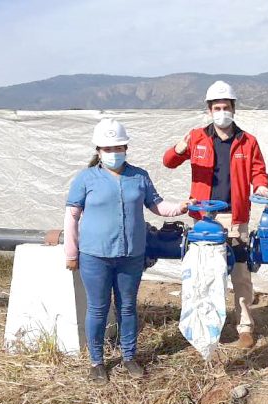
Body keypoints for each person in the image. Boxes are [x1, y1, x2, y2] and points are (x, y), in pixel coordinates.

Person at [65, 118, 190, 384]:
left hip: (131, 255)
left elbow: (156, 206)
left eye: (119, 147)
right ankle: (97, 362)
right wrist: (71, 253)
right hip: (94, 256)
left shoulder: (139, 176)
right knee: (98, 308)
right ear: (98, 150)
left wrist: (181, 207)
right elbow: (71, 216)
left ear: (126, 148)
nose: (114, 153)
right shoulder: (86, 179)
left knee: (127, 307)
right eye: (108, 149)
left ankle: (129, 356)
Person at [162, 80, 268, 349]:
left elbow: (258, 171)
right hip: (204, 219)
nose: (222, 111)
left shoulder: (247, 142)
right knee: (207, 274)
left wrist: (262, 185)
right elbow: (168, 162)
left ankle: (244, 327)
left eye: (226, 107)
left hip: (235, 217)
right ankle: (209, 326)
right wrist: (179, 149)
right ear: (210, 110)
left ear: (233, 109)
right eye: (217, 107)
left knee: (241, 272)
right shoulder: (196, 137)